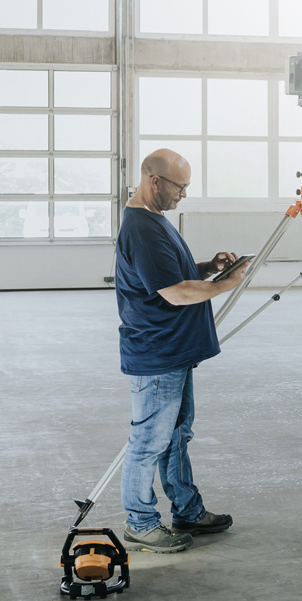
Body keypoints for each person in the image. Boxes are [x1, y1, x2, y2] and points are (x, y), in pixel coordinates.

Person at [113, 148, 250, 554]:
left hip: (173, 351)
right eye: (180, 186)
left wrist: (207, 268)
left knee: (175, 438)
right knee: (149, 442)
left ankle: (187, 509)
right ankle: (140, 523)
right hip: (157, 355)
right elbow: (174, 293)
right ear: (155, 181)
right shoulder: (142, 228)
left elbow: (169, 277)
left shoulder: (155, 221)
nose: (184, 195)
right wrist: (227, 285)